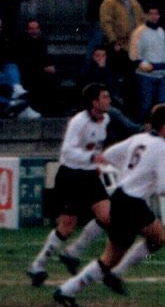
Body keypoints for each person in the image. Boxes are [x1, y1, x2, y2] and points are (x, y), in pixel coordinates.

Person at [52, 103, 165, 307]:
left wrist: (129, 173)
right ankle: (83, 285)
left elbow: (110, 154)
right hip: (133, 203)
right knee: (149, 243)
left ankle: (70, 289)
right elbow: (164, 187)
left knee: (146, 242)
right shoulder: (164, 148)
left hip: (122, 197)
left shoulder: (140, 138)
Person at [27, 84, 113, 285]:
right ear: (94, 102)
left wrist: (95, 162)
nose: (109, 101)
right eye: (105, 97)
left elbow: (96, 145)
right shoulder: (78, 122)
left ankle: (73, 253)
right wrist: (93, 157)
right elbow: (67, 151)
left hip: (89, 176)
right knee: (67, 226)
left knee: (107, 216)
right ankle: (37, 266)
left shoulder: (106, 119)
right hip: (71, 176)